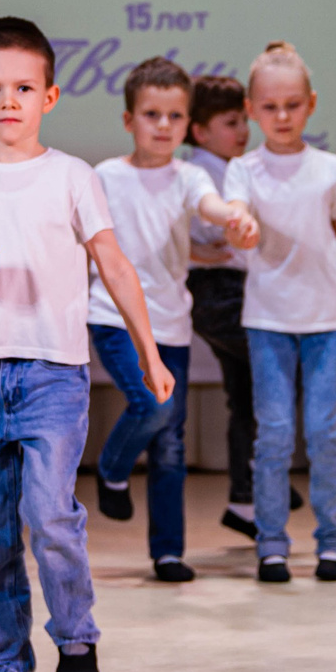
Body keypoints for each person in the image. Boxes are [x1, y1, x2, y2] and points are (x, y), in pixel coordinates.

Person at [0, 16, 170, 672]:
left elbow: (113, 261)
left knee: (49, 510)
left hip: (53, 371)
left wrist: (147, 349)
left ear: (49, 96)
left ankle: (76, 632)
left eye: (24, 86)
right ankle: (5, 660)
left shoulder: (72, 176)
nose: (8, 100)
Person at [87, 58, 259, 583]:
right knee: (151, 405)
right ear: (128, 120)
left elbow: (209, 206)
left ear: (187, 125)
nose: (163, 126)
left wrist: (233, 214)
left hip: (172, 324)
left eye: (175, 116)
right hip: (112, 316)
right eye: (151, 114)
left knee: (171, 440)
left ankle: (167, 551)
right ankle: (112, 468)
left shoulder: (191, 175)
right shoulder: (103, 177)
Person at [222, 41, 336, 585]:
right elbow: (236, 212)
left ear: (310, 104)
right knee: (275, 432)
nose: (281, 117)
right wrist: (238, 222)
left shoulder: (329, 169)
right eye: (269, 107)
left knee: (326, 431)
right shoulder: (243, 170)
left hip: (326, 319)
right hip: (267, 321)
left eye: (292, 105)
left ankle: (332, 543)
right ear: (250, 107)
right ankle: (271, 545)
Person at [185, 73, 299, 539]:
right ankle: (264, 481)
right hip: (219, 293)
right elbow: (195, 235)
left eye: (242, 121)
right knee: (277, 373)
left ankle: (246, 500)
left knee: (248, 395)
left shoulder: (225, 168)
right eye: (232, 122)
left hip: (228, 291)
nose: (243, 131)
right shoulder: (203, 172)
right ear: (201, 132)